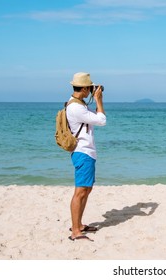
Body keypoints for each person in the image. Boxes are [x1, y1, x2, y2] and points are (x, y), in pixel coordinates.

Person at [66, 72, 106, 241]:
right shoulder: (76, 107)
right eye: (89, 87)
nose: (91, 89)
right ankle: (76, 231)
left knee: (86, 190)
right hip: (83, 152)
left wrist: (93, 97)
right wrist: (98, 100)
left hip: (85, 152)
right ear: (83, 88)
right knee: (80, 192)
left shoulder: (78, 104)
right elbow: (102, 120)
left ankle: (79, 224)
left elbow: (94, 118)